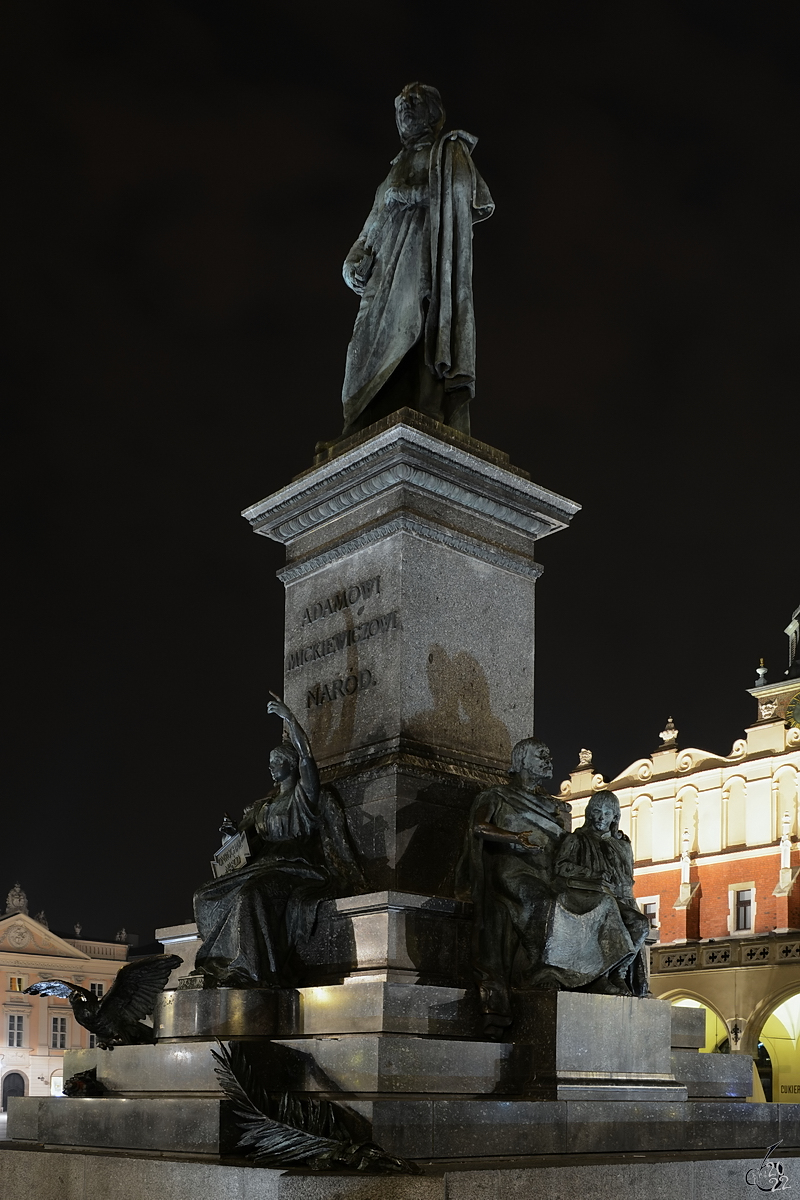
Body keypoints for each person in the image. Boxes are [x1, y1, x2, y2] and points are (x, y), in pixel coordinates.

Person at [337, 82, 494, 442]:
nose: (405, 107)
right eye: (400, 103)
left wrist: (407, 196)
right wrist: (354, 256)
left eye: (415, 100)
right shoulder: (394, 167)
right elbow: (374, 219)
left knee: (418, 326)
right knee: (361, 347)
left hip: (422, 259)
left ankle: (425, 410)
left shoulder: (446, 151)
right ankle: (362, 424)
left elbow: (459, 197)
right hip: (383, 274)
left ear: (434, 113)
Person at [193, 700, 364, 988]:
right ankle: (216, 963)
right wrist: (229, 837)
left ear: (291, 764)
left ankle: (249, 969)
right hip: (262, 866)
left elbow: (309, 760)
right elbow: (239, 849)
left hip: (294, 868)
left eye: (277, 762)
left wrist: (291, 720)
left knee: (251, 895)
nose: (271, 767)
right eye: (270, 763)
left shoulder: (303, 797)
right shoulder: (262, 807)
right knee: (203, 895)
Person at [457, 739, 571, 1038]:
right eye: (541, 755)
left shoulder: (555, 806)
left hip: (548, 870)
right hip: (511, 868)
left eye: (549, 755)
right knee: (542, 900)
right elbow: (479, 827)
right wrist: (515, 837)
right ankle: (539, 969)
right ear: (520, 760)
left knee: (578, 899)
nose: (548, 759)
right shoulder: (496, 795)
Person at [540, 790, 649, 996]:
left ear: (615, 817)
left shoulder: (622, 845)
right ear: (590, 813)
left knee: (641, 925)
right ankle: (602, 977)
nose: (601, 817)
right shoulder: (577, 839)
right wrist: (590, 873)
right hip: (587, 899)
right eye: (597, 812)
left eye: (607, 814)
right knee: (608, 912)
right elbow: (561, 866)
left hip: (619, 899)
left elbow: (627, 880)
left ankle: (618, 971)